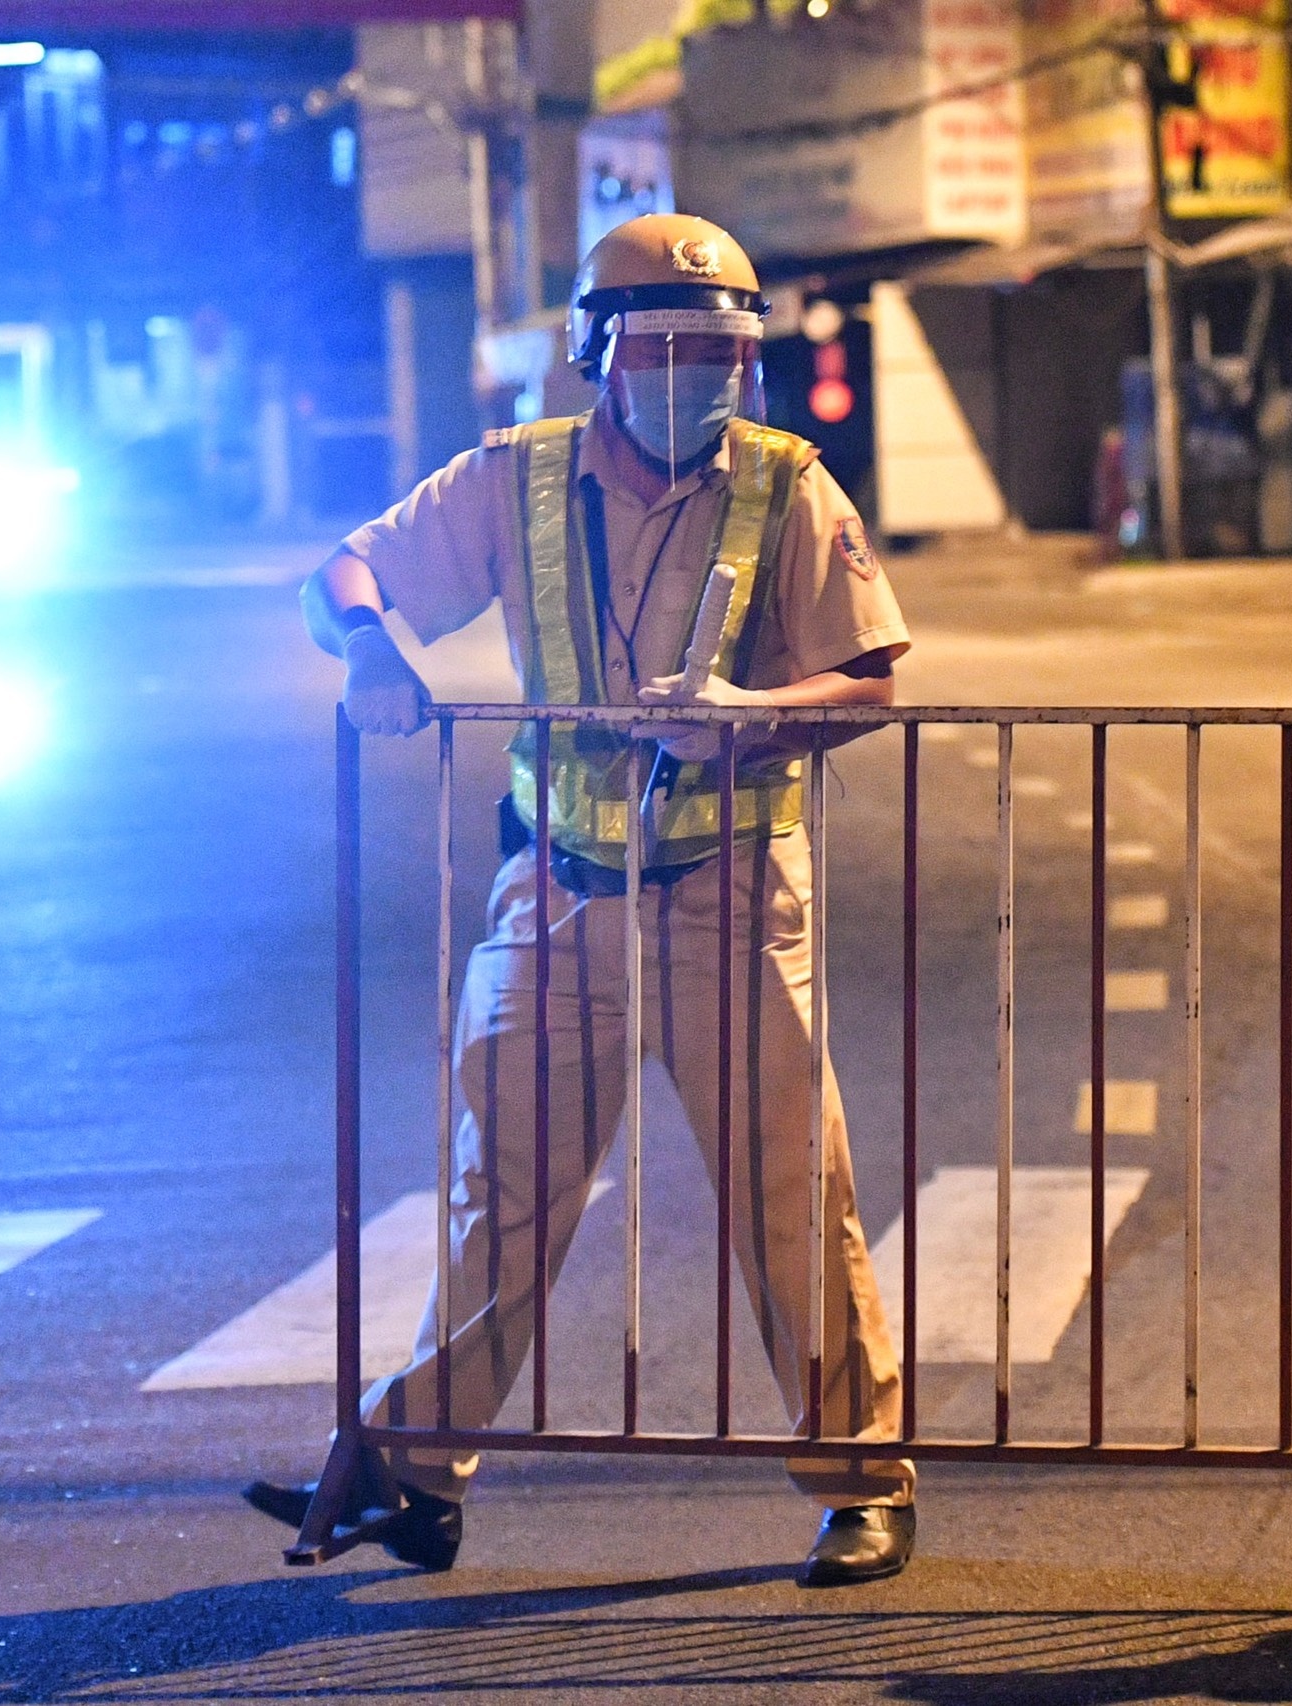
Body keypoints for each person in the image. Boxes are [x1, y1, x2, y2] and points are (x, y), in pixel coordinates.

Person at [248, 214, 918, 1587]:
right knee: (499, 1198)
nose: (689, 375)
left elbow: (871, 679)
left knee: (794, 1197)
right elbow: (344, 574)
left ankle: (865, 1486)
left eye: (716, 351)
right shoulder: (516, 479)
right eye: (659, 347)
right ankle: (417, 1474)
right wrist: (370, 647)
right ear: (596, 352)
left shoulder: (788, 486)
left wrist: (749, 717)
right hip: (554, 896)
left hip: (733, 898)